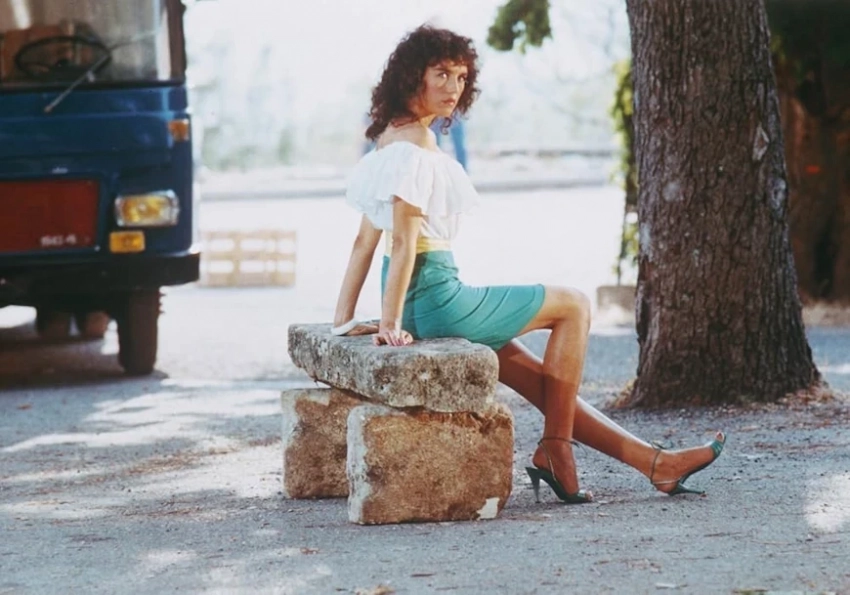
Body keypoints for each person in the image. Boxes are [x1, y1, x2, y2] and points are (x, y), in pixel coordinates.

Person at [332, 25, 725, 504]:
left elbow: (365, 242)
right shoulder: (417, 144)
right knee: (574, 306)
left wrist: (344, 320)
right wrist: (389, 326)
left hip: (422, 305)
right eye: (442, 74)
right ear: (413, 75)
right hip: (438, 302)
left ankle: (655, 464)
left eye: (461, 77)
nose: (453, 87)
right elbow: (405, 242)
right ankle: (556, 448)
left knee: (547, 386)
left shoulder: (389, 140)